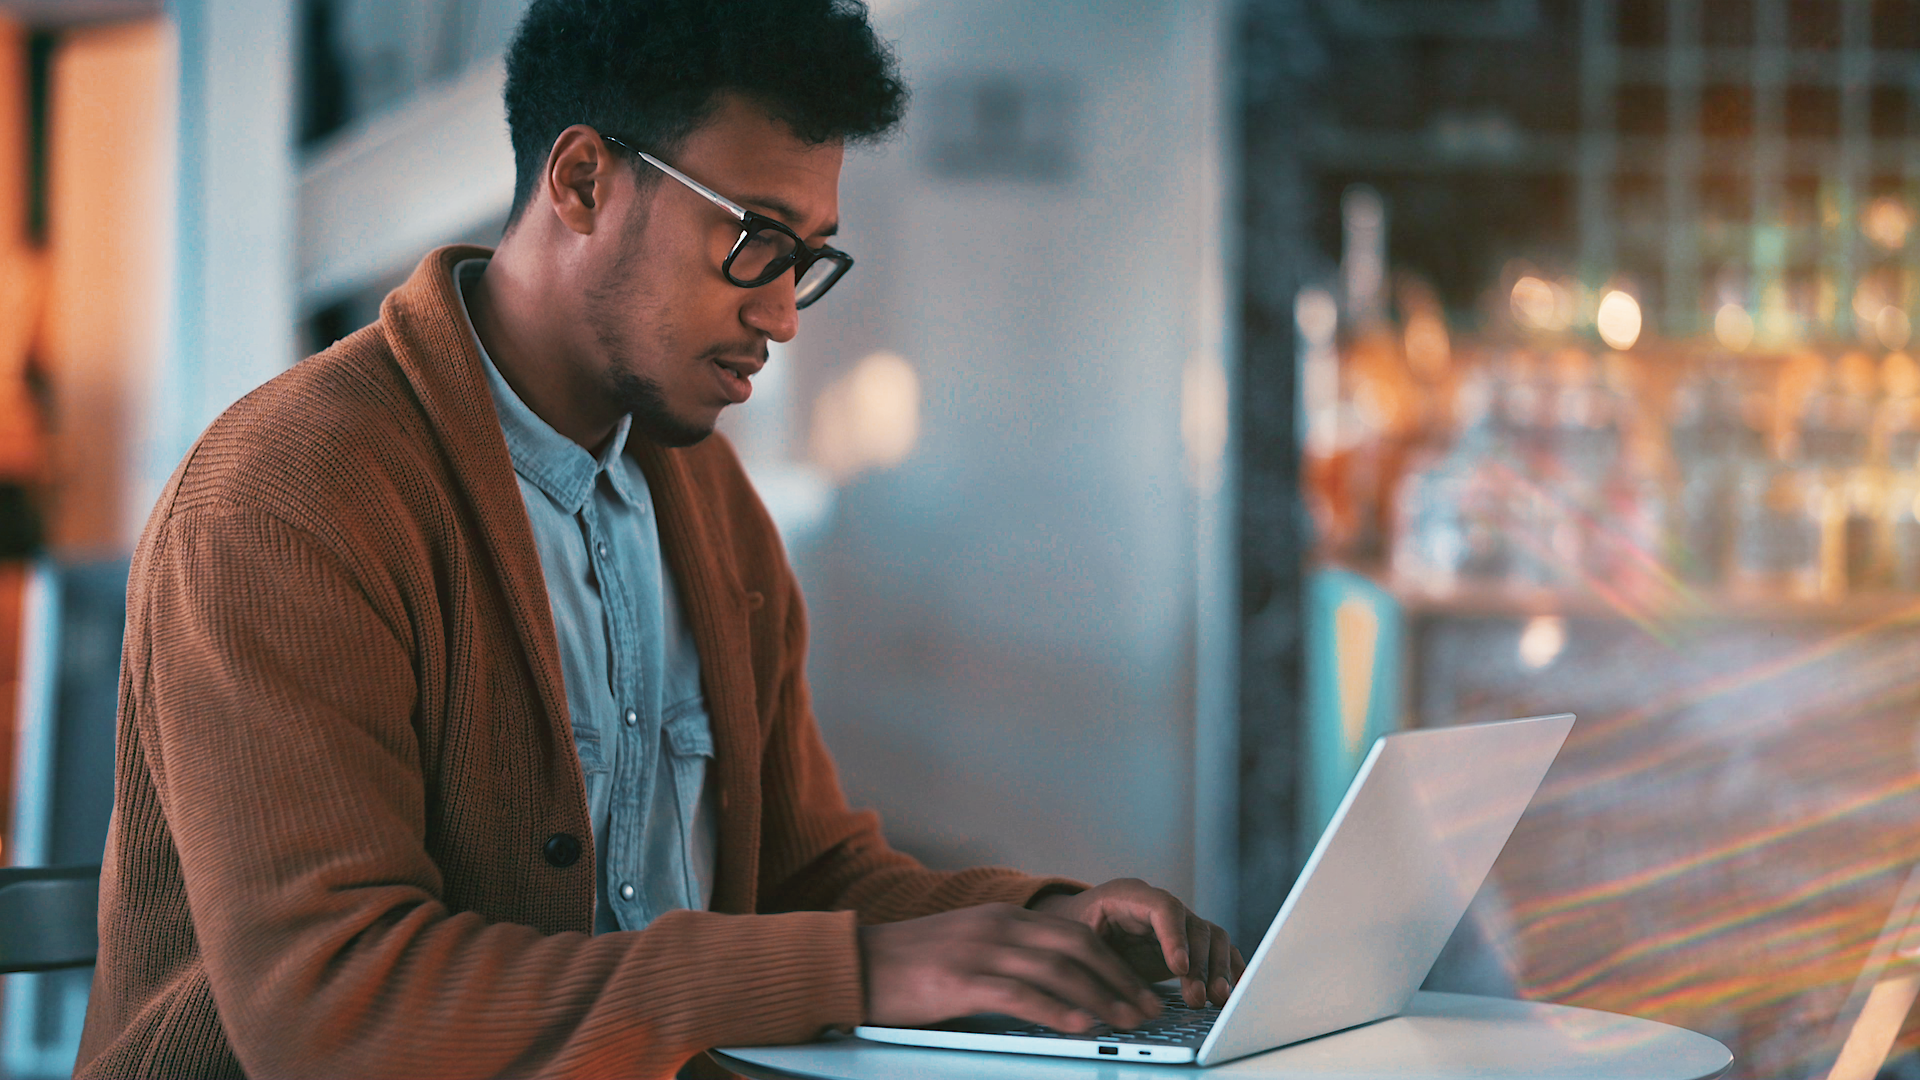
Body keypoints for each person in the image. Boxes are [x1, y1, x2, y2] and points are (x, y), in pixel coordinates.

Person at [75, 1, 1242, 1076]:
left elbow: (795, 873)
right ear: (584, 180)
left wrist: (1040, 927)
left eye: (807, 259)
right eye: (755, 240)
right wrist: (859, 970)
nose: (782, 313)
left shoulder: (704, 496)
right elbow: (332, 1011)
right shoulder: (291, 497)